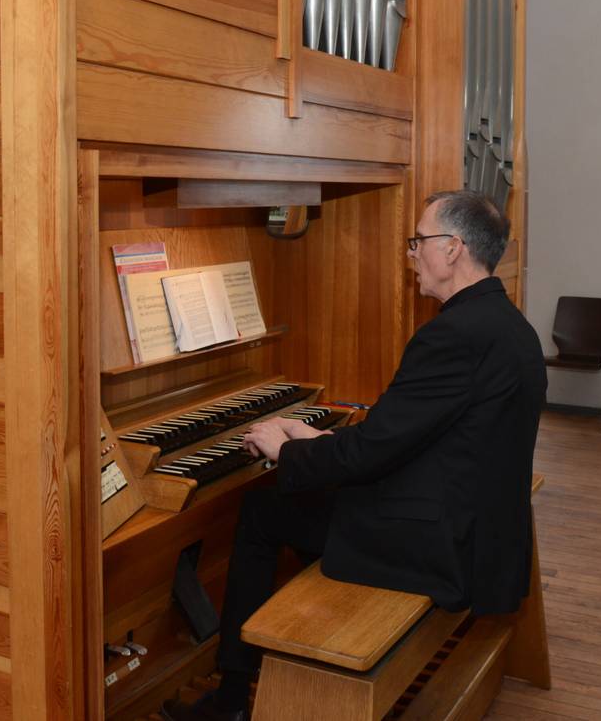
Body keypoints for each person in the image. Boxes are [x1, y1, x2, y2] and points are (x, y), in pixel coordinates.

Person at [162, 190, 547, 721]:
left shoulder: (454, 335)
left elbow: (374, 452)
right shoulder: (503, 322)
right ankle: (293, 644)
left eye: (418, 242)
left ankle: (234, 697)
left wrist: (287, 451)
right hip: (473, 522)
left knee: (263, 511)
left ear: (453, 248)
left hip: (442, 544)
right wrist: (315, 439)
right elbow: (412, 438)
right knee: (312, 493)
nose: (411, 253)